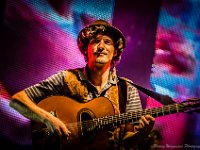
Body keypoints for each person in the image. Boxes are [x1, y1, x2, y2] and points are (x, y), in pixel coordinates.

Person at [9, 19, 155, 150]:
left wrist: (141, 134)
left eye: (107, 42)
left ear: (115, 52)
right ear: (86, 49)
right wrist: (48, 119)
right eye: (95, 41)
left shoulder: (128, 89)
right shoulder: (65, 78)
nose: (101, 46)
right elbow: (18, 100)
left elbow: (125, 143)